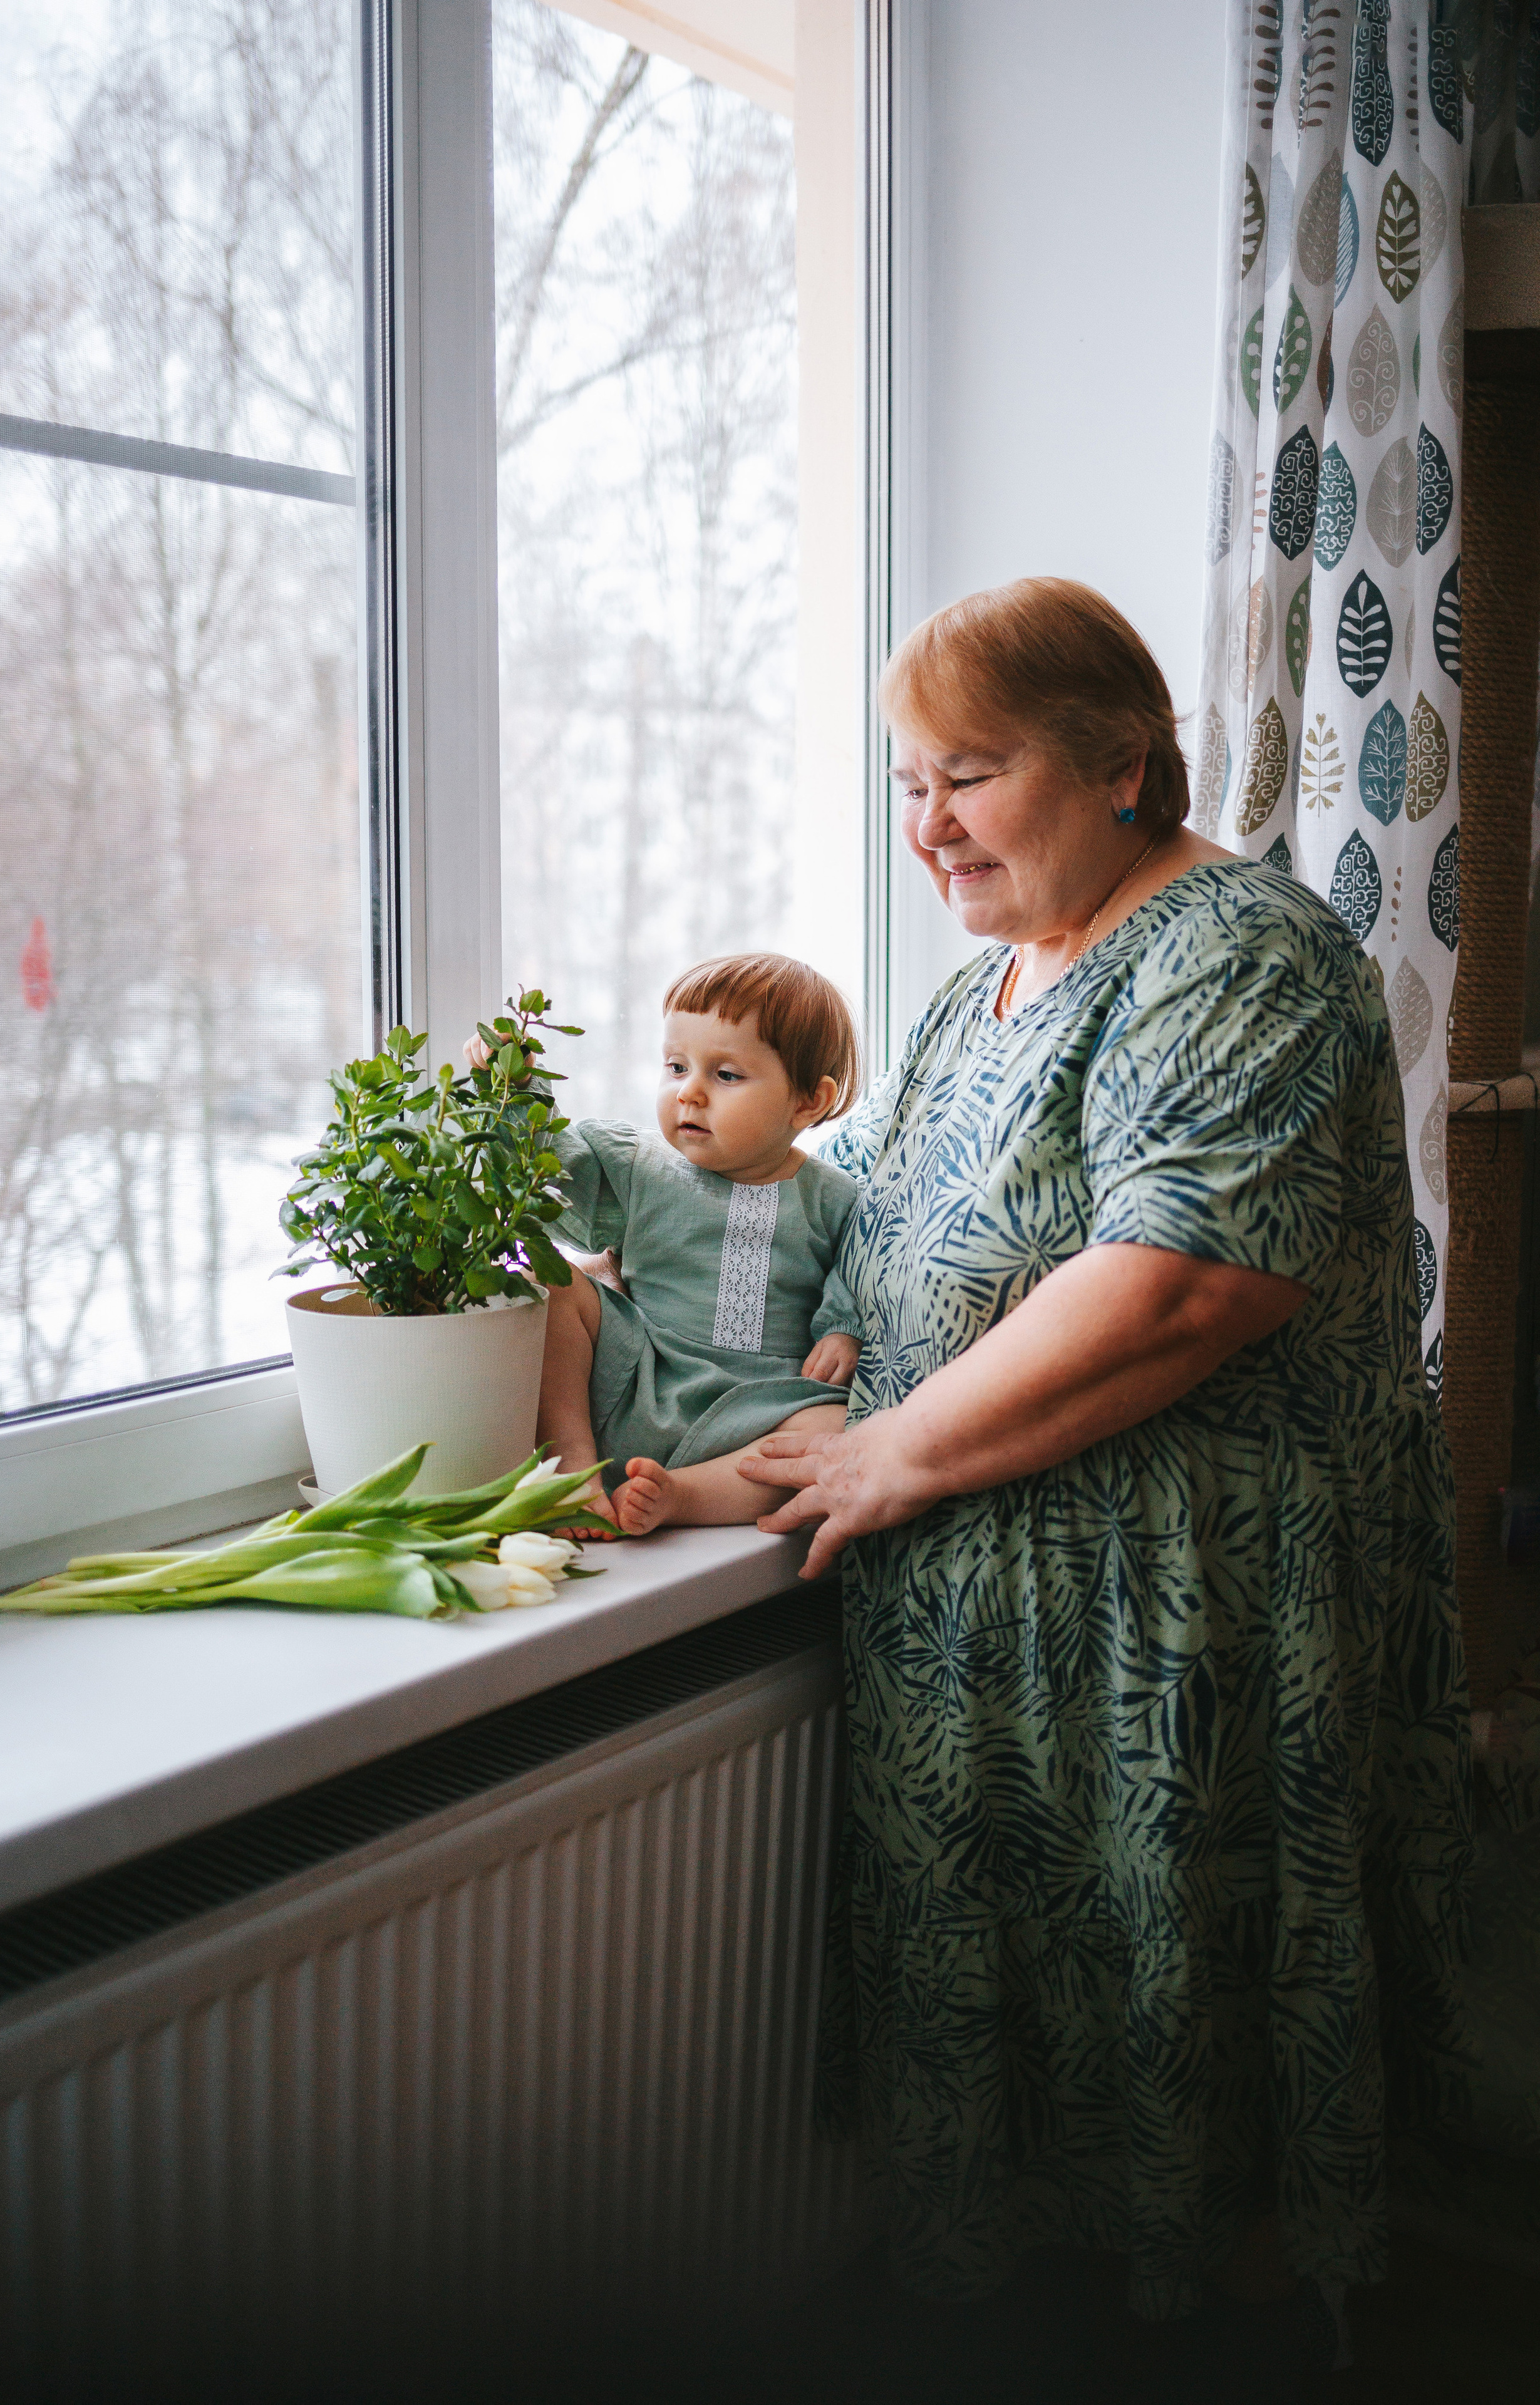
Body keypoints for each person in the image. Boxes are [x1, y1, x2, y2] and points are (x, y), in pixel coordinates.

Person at [736, 581, 1472, 2335]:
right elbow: (894, 1277)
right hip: (983, 1645)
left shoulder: (1242, 950)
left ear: (1123, 764)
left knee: (1199, 2082)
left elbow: (1180, 1284)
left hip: (1187, 1642)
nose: (927, 828)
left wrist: (895, 1454)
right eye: (908, 782)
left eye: (969, 777)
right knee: (1036, 2129)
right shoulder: (971, 997)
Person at [476, 952, 865, 1536]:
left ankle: (683, 1497)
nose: (691, 1093)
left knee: (840, 1429)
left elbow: (861, 1273)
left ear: (808, 1101)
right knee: (545, 1275)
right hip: (637, 1371)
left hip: (759, 1406)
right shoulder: (642, 1168)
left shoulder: (834, 1197)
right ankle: (574, 1470)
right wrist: (516, 1091)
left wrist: (843, 1326)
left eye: (725, 1075)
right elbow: (552, 1179)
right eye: (676, 1067)